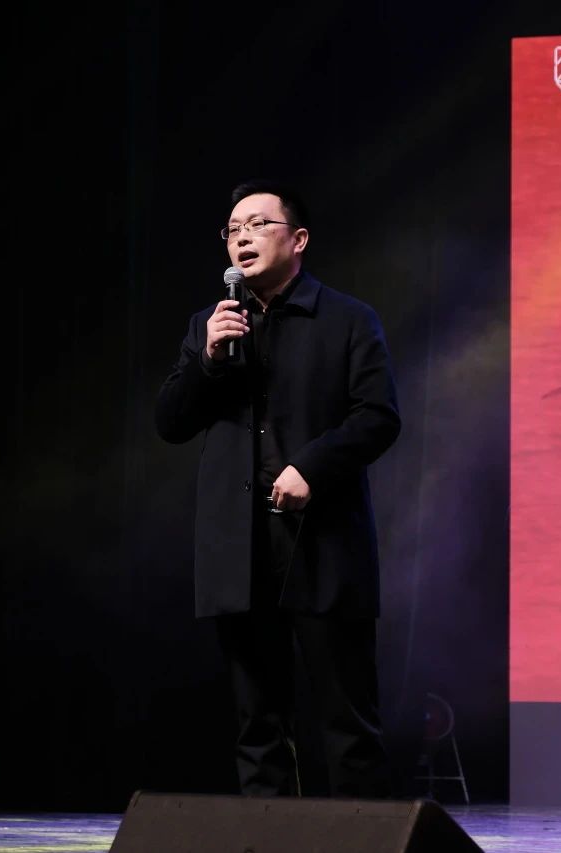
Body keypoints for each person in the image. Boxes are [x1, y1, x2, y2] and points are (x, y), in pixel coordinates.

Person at [154, 179, 401, 798]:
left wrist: (311, 468)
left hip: (322, 542)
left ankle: (360, 839)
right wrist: (209, 360)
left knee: (347, 722)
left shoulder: (347, 319)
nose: (243, 237)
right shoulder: (211, 325)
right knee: (257, 725)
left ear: (299, 239)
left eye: (259, 224)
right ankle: (267, 838)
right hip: (238, 548)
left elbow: (377, 416)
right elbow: (171, 422)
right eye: (233, 229)